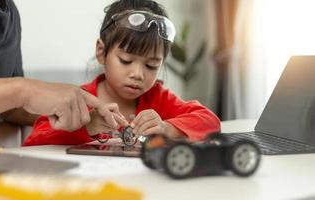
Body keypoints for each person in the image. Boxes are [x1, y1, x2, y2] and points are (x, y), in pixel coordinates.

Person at [23, 0, 220, 146]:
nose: (138, 74)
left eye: (151, 65)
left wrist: (167, 128)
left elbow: (210, 120)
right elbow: (33, 142)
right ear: (101, 52)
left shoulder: (158, 98)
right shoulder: (77, 101)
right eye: (126, 61)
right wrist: (86, 127)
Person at [0, 0, 124, 148]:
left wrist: (82, 114)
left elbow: (11, 109)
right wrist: (24, 90)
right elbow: (19, 95)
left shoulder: (10, 13)